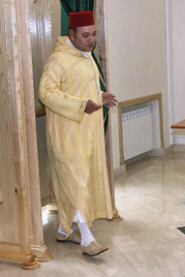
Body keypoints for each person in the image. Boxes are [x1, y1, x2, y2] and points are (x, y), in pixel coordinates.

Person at [39, 11, 117, 255]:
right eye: (85, 35)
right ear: (71, 34)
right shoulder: (58, 60)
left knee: (78, 183)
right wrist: (81, 105)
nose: (91, 40)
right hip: (66, 135)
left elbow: (82, 89)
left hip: (87, 133)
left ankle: (64, 230)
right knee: (77, 183)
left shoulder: (86, 57)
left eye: (93, 34)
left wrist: (98, 97)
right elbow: (46, 93)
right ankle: (87, 239)